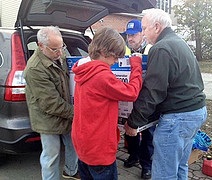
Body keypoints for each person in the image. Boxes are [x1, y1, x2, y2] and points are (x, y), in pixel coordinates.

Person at [125, 9, 207, 180]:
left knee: (164, 173)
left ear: (157, 27)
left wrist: (133, 123)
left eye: (145, 29)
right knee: (180, 166)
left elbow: (153, 92)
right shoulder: (178, 42)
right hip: (195, 112)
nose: (144, 34)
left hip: (178, 118)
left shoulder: (161, 48)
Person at [71, 27, 143, 180]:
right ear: (104, 52)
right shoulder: (102, 76)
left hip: (83, 143)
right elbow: (131, 92)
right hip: (99, 148)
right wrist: (136, 66)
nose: (115, 62)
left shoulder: (83, 69)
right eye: (115, 57)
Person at [24, 26, 80, 180]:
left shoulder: (57, 56)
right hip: (48, 119)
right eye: (55, 49)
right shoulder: (35, 69)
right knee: (51, 155)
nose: (60, 53)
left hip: (66, 112)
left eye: (62, 47)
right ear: (40, 46)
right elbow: (50, 103)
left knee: (73, 144)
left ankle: (71, 170)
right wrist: (78, 113)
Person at [123, 19, 154, 179]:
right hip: (129, 99)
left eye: (134, 35)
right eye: (128, 35)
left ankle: (146, 165)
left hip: (147, 100)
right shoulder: (124, 51)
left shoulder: (152, 50)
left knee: (148, 134)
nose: (130, 38)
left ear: (142, 33)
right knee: (129, 131)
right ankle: (133, 156)